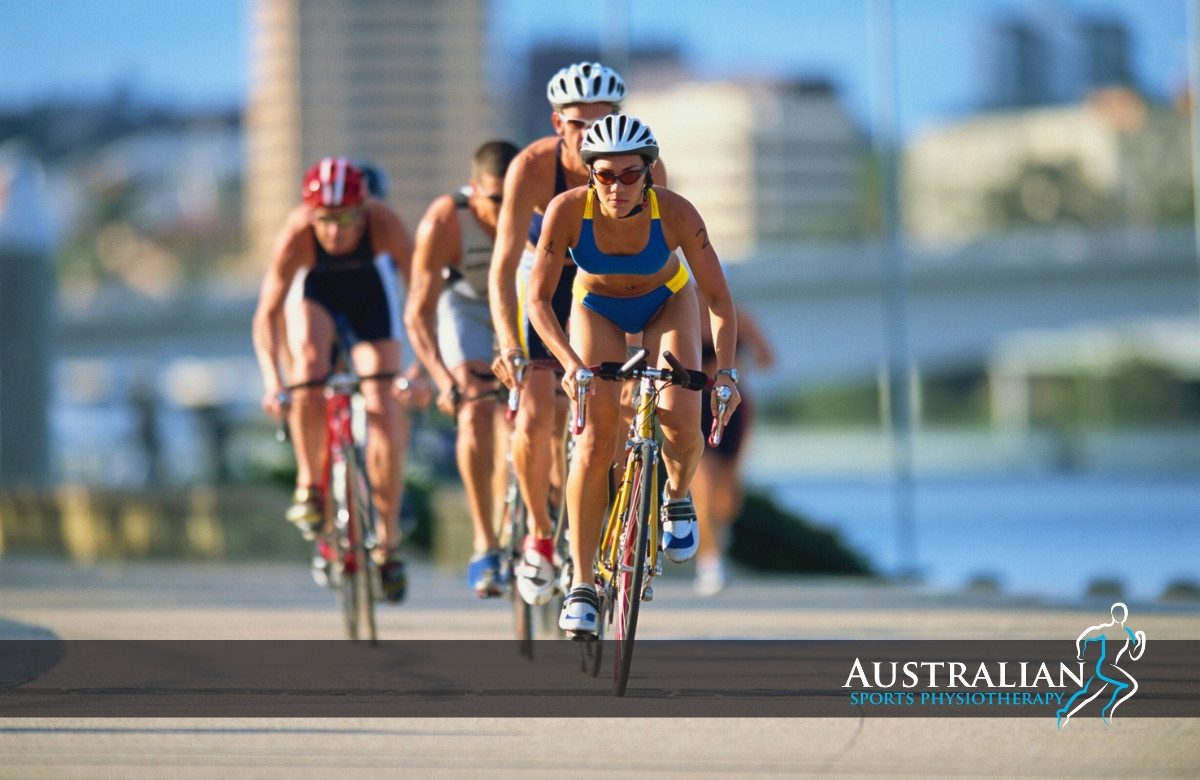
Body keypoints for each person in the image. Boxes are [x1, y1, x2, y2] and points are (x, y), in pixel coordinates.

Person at [526, 113, 741, 636]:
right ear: (589, 173)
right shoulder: (566, 210)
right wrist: (571, 365)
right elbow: (537, 300)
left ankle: (676, 495)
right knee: (595, 442)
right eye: (604, 175)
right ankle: (581, 583)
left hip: (666, 302)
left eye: (629, 175)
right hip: (595, 308)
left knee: (680, 419)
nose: (616, 187)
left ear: (648, 174)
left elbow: (717, 298)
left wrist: (727, 373)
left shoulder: (676, 212)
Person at [490, 62, 669, 608]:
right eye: (577, 124)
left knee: (615, 413)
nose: (590, 133)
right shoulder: (531, 168)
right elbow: (503, 267)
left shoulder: (641, 166)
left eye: (601, 119)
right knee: (535, 411)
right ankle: (540, 536)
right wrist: (509, 346)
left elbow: (660, 262)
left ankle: (607, 525)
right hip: (543, 276)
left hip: (605, 280)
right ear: (556, 124)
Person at [252, 156, 424, 602]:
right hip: (318, 298)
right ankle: (311, 485)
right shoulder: (297, 233)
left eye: (346, 219)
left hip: (370, 298)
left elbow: (420, 297)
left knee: (384, 405)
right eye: (324, 220)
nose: (334, 231)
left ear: (364, 210)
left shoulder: (384, 223)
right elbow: (267, 314)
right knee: (308, 371)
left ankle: (387, 542)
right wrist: (274, 381)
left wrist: (421, 367)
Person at [404, 140, 520, 597]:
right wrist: (442, 378)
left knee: (544, 405)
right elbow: (418, 314)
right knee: (475, 409)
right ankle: (485, 542)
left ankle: (545, 519)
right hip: (467, 308)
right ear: (473, 190)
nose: (505, 211)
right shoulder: (445, 221)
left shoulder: (540, 209)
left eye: (514, 199)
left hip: (523, 306)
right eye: (495, 200)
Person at [692, 304, 775, 595]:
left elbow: (767, 357)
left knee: (727, 496)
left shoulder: (738, 316)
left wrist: (736, 364)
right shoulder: (680, 311)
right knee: (701, 484)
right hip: (694, 404)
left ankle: (719, 534)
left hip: (731, 406)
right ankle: (709, 562)